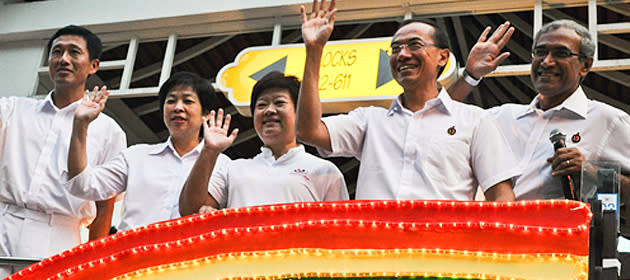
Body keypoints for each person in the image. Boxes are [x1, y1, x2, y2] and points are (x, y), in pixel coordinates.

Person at [296, 0, 519, 201]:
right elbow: (308, 131)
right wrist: (314, 50)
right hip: (376, 246)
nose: (402, 55)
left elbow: (500, 195)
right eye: (395, 49)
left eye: (414, 45)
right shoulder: (369, 121)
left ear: (443, 57)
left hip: (442, 245)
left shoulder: (474, 120)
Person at [0, 25, 126, 277]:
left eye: (74, 52)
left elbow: (104, 208)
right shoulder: (12, 110)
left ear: (93, 65)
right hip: (4, 221)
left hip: (60, 234)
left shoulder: (109, 130)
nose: (64, 59)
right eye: (57, 51)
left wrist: (92, 263)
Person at [459, 19, 630, 201]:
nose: (547, 61)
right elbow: (437, 118)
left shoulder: (607, 120)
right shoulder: (501, 117)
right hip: (491, 226)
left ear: (585, 65)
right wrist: (470, 76)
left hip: (557, 228)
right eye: (540, 52)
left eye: (561, 53)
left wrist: (591, 172)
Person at [65, 71, 231, 231]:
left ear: (207, 114)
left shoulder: (223, 164)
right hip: (132, 255)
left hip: (189, 257)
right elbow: (82, 185)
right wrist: (80, 124)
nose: (178, 108)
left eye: (188, 101)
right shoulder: (136, 156)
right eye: (171, 101)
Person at [179, 71, 348, 216]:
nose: (269, 110)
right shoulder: (233, 169)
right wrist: (209, 151)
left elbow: (340, 235)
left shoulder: (325, 171)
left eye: (279, 102)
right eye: (261, 105)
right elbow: (190, 210)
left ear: (298, 112)